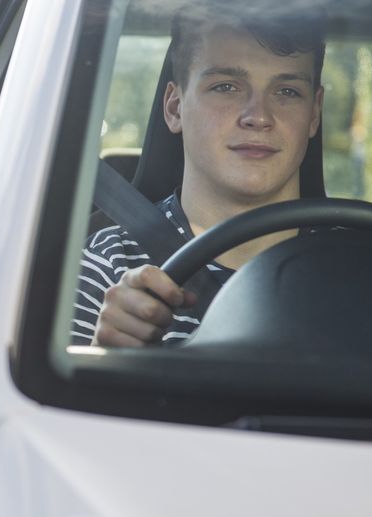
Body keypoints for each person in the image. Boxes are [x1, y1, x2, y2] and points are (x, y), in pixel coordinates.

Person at [72, 8, 325, 347]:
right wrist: (105, 357)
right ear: (175, 108)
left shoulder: (364, 266)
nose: (259, 116)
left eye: (287, 92)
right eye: (226, 87)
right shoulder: (107, 267)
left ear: (314, 114)